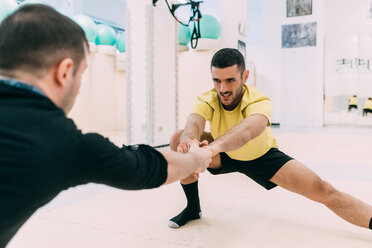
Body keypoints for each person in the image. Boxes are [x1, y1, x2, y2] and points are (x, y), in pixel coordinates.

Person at [0, 5, 213, 247]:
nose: (79, 86)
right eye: (81, 75)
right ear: (64, 71)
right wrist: (197, 159)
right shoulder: (61, 144)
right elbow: (145, 167)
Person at [168, 48, 372, 232]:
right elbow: (193, 123)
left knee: (323, 189)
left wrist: (210, 150)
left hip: (261, 156)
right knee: (180, 139)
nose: (223, 89)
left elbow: (248, 131)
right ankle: (193, 208)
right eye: (217, 81)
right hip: (223, 155)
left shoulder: (259, 100)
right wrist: (192, 143)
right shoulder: (208, 97)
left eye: (230, 80)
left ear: (245, 76)